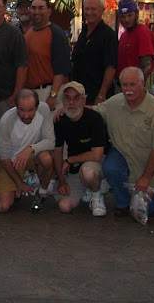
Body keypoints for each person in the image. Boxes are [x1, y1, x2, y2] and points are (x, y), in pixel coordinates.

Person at [97, 67, 154, 216]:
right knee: (111, 167)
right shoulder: (114, 102)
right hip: (124, 158)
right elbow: (94, 112)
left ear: (142, 84)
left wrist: (146, 177)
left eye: (133, 84)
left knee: (145, 212)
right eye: (124, 85)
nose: (128, 89)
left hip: (149, 167)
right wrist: (71, 108)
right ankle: (123, 202)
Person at [0, 89, 54, 213]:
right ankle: (20, 182)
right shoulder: (6, 121)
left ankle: (42, 193)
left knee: (46, 159)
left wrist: (30, 148)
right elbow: (4, 158)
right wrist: (20, 183)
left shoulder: (44, 109)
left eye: (30, 110)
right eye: (21, 110)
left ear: (37, 107)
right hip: (12, 161)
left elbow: (50, 141)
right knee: (3, 207)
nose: (26, 116)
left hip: (33, 155)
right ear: (15, 106)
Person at [53, 82, 107, 216]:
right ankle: (87, 187)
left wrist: (70, 160)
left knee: (88, 172)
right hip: (76, 167)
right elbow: (58, 151)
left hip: (97, 163)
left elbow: (97, 155)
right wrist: (61, 180)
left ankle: (96, 194)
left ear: (84, 100)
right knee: (64, 206)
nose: (71, 102)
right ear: (63, 101)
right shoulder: (60, 120)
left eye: (76, 98)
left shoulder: (94, 118)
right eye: (67, 98)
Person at [25, 0, 71, 110]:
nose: (37, 12)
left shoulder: (56, 34)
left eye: (41, 8)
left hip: (49, 92)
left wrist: (53, 95)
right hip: (32, 92)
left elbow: (61, 69)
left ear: (49, 11)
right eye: (34, 8)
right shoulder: (29, 33)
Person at [71, 0, 117, 105]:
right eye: (87, 9)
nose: (89, 12)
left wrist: (101, 95)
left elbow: (111, 67)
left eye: (93, 9)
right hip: (80, 94)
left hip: (97, 95)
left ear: (102, 10)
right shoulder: (83, 32)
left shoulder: (108, 35)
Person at [116, 0, 154, 81]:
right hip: (123, 82)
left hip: (134, 84)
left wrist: (136, 84)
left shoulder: (143, 32)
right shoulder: (124, 35)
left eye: (130, 15)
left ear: (136, 14)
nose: (126, 20)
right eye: (123, 16)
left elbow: (146, 65)